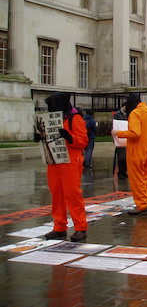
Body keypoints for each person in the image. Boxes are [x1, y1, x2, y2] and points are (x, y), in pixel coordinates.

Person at [37, 92, 89, 241]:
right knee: (56, 194)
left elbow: (83, 141)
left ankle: (80, 227)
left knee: (73, 195)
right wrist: (39, 137)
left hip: (71, 161)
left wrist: (69, 137)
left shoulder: (74, 117)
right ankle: (59, 227)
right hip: (55, 161)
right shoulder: (53, 117)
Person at [112, 93, 147, 215]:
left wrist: (118, 133)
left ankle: (142, 205)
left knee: (137, 179)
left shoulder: (135, 113)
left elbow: (134, 133)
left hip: (137, 150)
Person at [113, 103, 128, 179]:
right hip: (120, 138)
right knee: (121, 157)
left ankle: (124, 171)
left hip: (126, 137)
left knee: (126, 157)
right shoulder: (117, 115)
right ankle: (121, 172)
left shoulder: (128, 114)